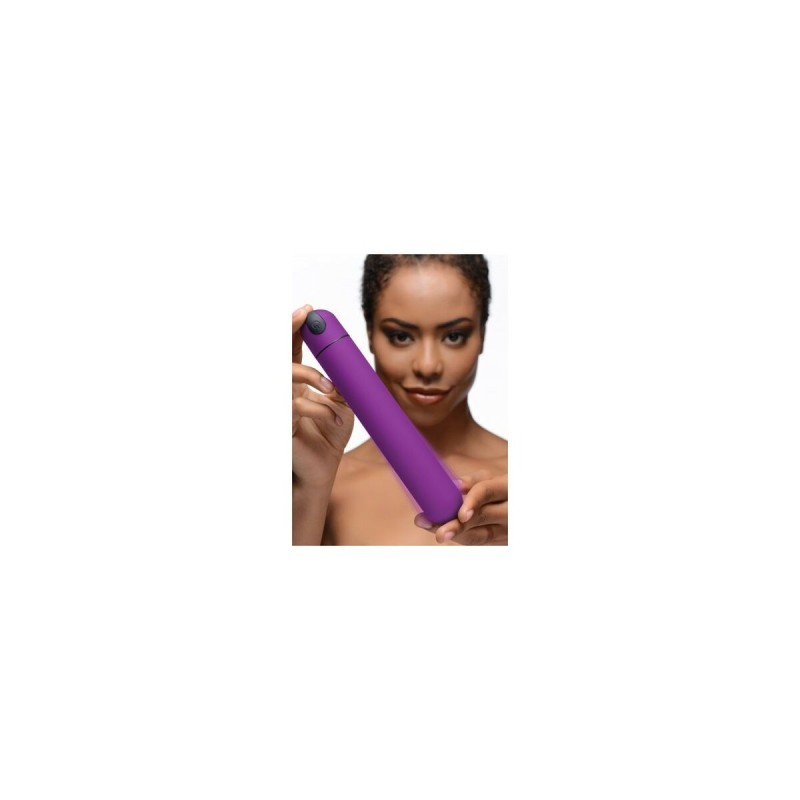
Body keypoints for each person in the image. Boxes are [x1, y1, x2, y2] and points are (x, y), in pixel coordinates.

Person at [292, 254, 508, 546]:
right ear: (370, 334)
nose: (428, 366)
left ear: (482, 333)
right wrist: (310, 488)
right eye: (401, 336)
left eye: (454, 335)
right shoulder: (325, 486)